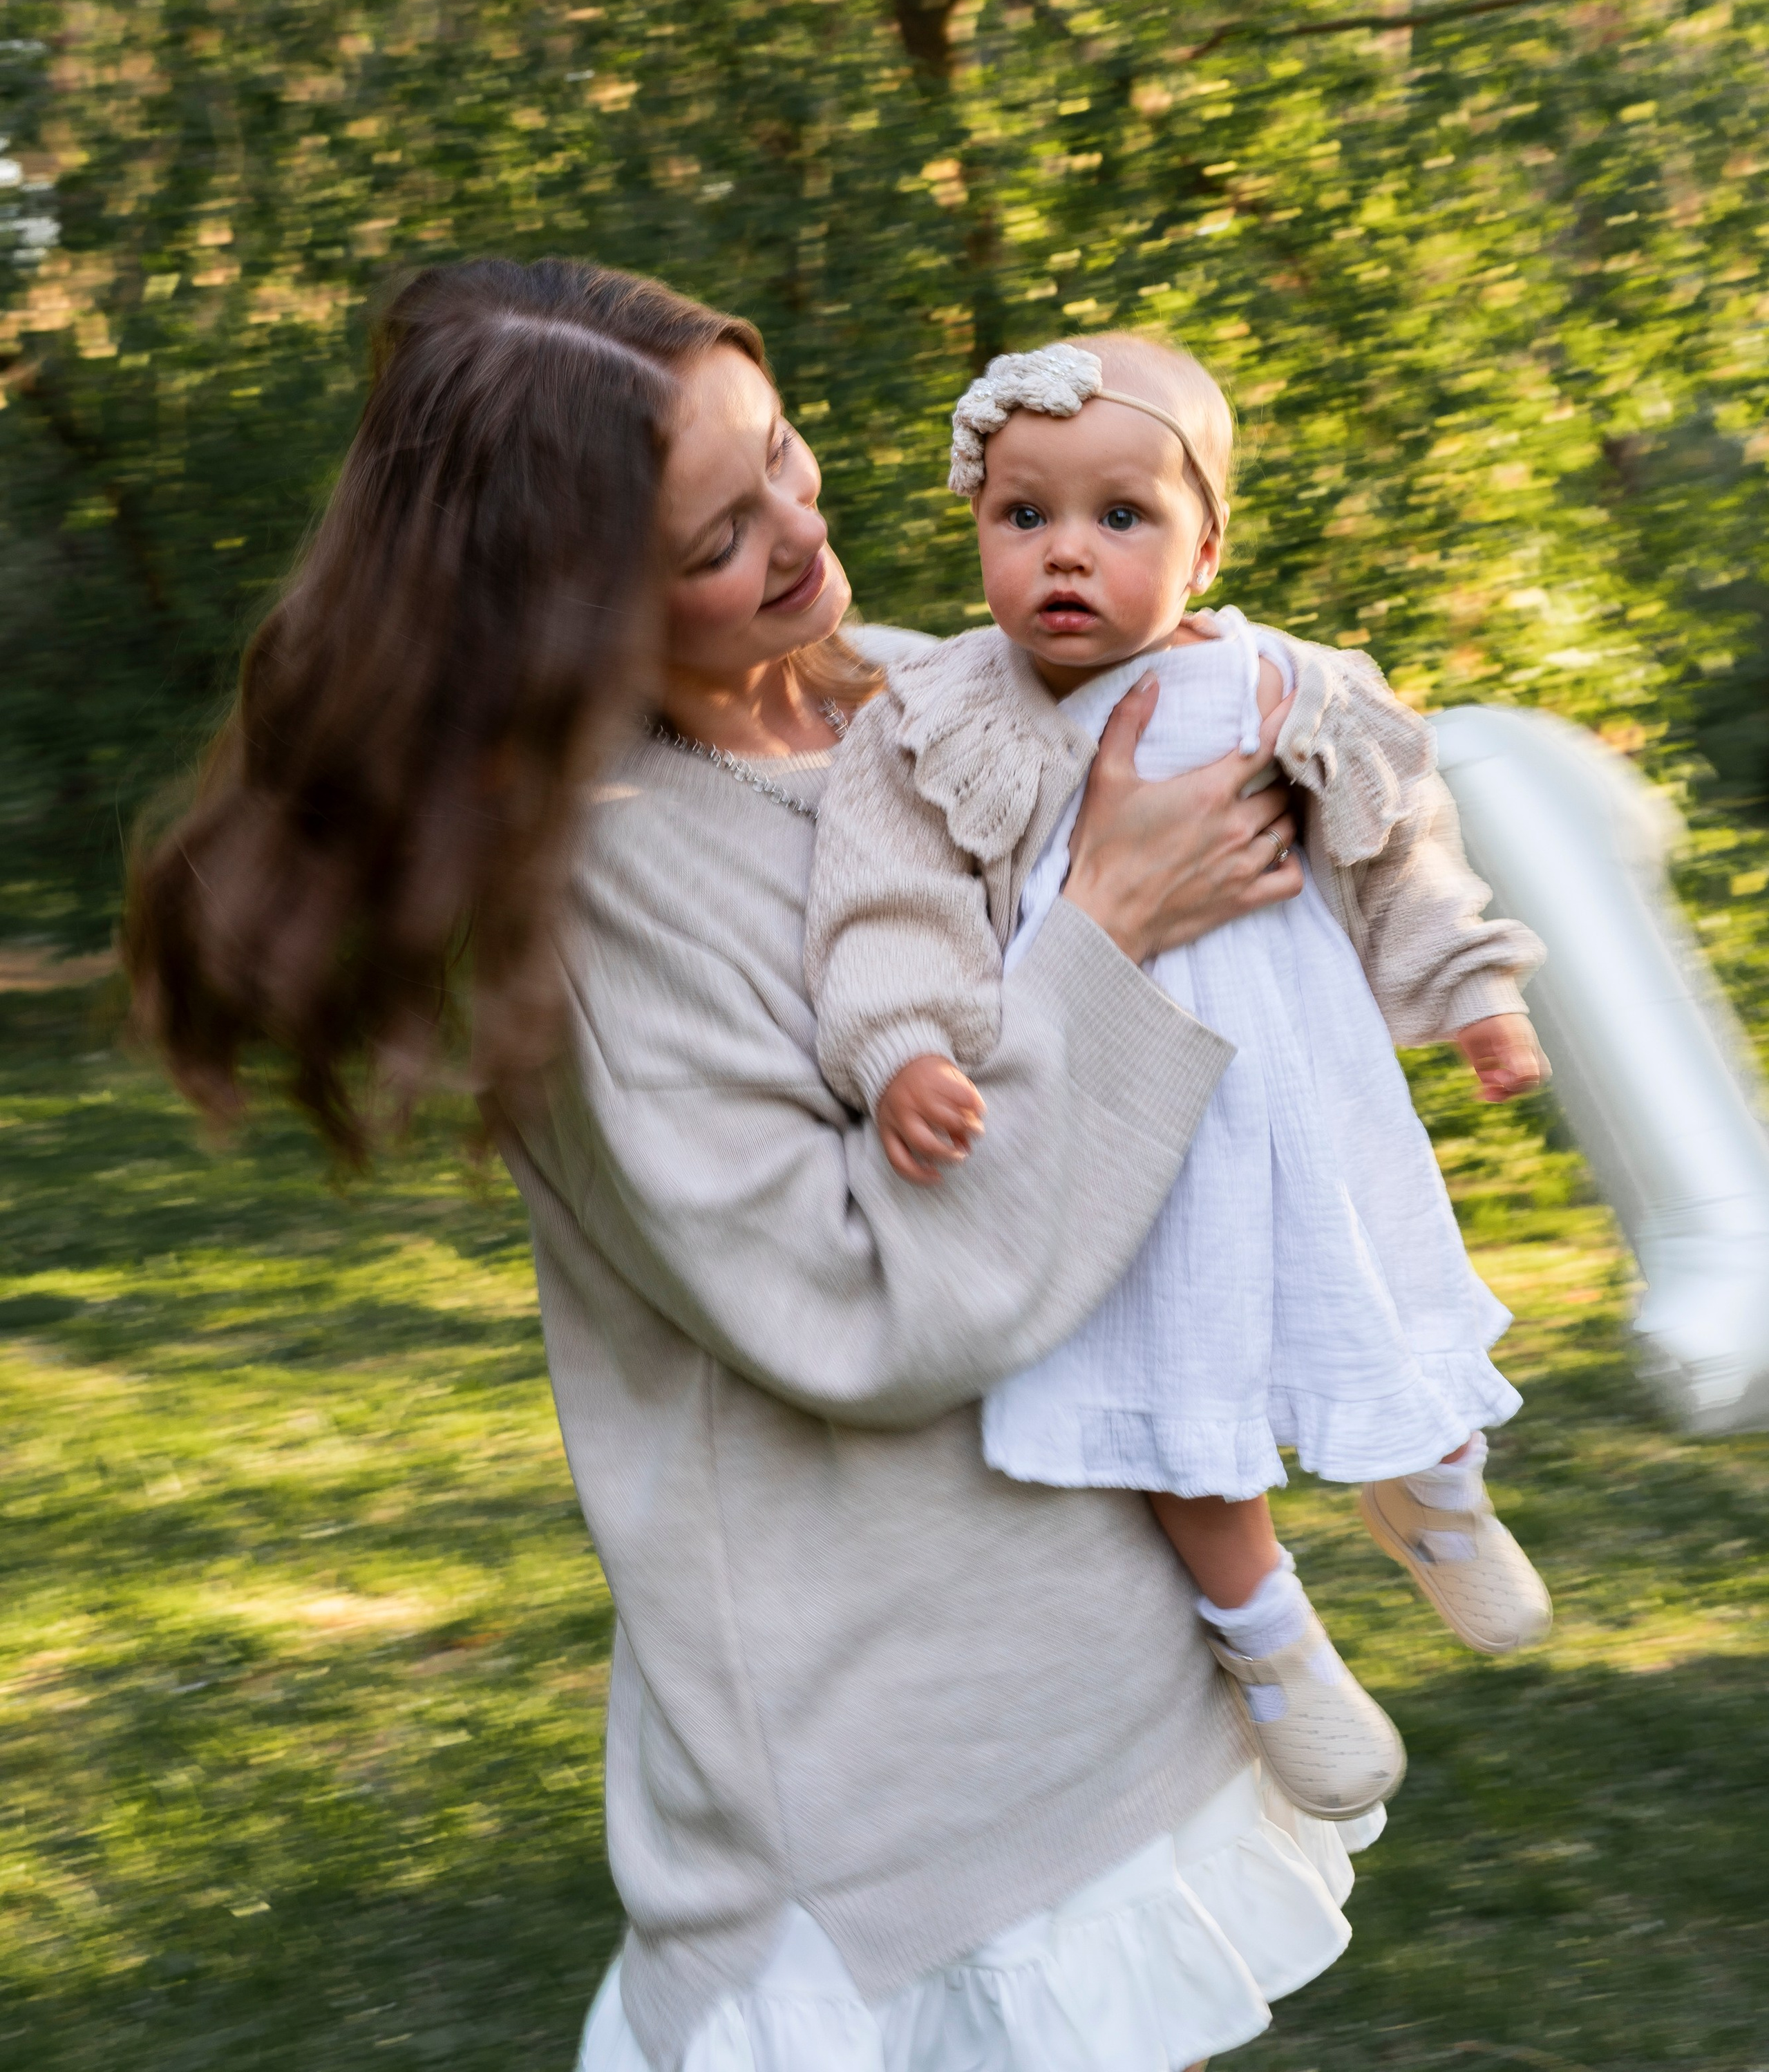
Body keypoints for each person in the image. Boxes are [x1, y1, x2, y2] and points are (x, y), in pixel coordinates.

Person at [129, 260, 1376, 2072]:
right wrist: (1108, 922)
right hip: (877, 1794)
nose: (801, 529)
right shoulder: (592, 904)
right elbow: (871, 1311)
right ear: (573, 621)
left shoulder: (926, 697)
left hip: (1105, 1664)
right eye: (720, 536)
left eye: (783, 455)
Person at [804, 335, 1555, 1831]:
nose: (1063, 555)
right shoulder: (940, 712)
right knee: (1171, 1378)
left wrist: (1469, 986)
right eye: (1022, 517)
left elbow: (1399, 840)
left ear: (1204, 541)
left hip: (1301, 1092)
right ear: (976, 529)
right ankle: (1267, 1639)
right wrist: (902, 1051)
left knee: (1371, 1292)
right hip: (1110, 1106)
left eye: (1118, 517)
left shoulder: (1292, 682)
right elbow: (884, 902)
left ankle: (1433, 1484)